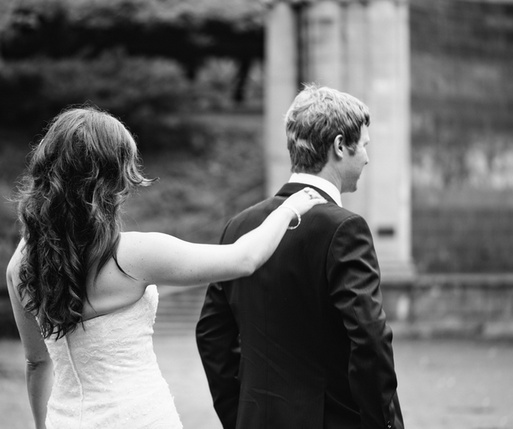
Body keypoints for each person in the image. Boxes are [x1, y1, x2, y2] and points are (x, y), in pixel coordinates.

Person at [6, 106, 326, 429]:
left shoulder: (22, 266)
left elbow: (36, 363)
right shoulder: (133, 256)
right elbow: (244, 259)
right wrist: (289, 209)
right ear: (108, 181)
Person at [196, 84, 404, 429]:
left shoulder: (238, 227)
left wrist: (239, 417)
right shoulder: (344, 229)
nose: (367, 157)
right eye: (364, 146)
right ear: (340, 146)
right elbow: (369, 338)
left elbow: (212, 335)